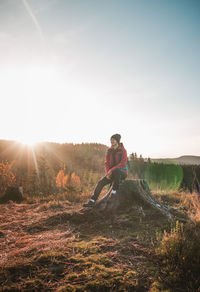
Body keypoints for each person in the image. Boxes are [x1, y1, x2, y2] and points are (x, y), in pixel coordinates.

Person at [83, 134, 128, 207]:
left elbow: (123, 163)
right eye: (111, 140)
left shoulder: (123, 150)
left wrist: (112, 170)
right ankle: (92, 201)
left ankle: (113, 192)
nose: (111, 141)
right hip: (112, 173)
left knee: (116, 171)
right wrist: (108, 173)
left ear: (117, 141)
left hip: (122, 173)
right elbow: (106, 163)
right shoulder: (109, 151)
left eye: (113, 139)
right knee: (100, 182)